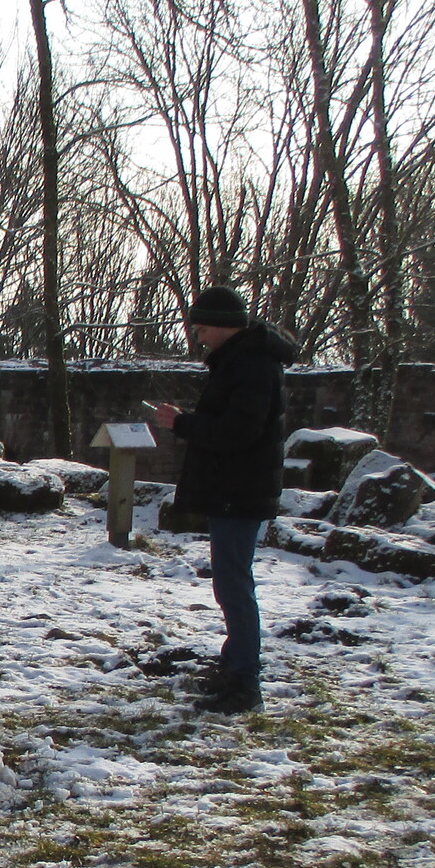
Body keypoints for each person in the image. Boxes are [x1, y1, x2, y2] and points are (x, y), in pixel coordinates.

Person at [143, 286, 298, 715]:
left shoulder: (251, 365)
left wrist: (183, 424)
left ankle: (245, 680)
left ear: (223, 325)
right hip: (235, 488)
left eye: (202, 328)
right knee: (229, 582)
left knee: (234, 584)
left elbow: (238, 432)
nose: (199, 337)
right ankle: (235, 666)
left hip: (239, 489)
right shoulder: (242, 360)